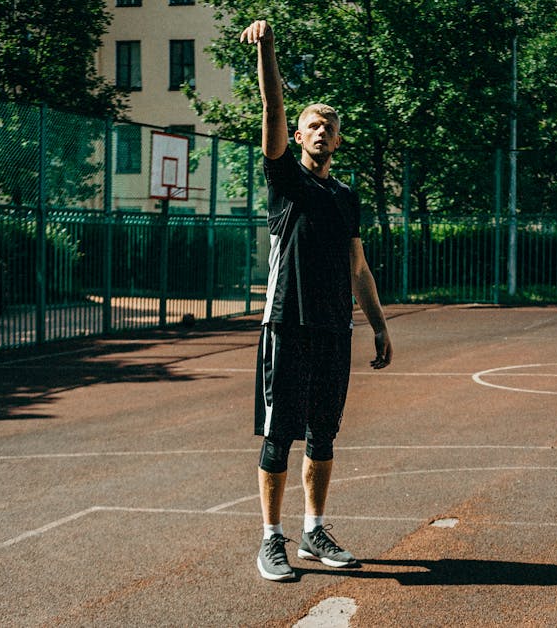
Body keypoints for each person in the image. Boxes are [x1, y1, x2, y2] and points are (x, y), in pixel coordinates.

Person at [241, 19, 393, 582]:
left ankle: (314, 529)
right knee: (280, 435)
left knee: (324, 434)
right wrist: (269, 53)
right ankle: (270, 539)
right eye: (312, 124)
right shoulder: (286, 180)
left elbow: (358, 264)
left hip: (334, 327)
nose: (321, 129)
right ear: (299, 137)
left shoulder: (345, 195)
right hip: (286, 324)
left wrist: (378, 324)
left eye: (329, 124)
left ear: (338, 137)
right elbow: (272, 112)